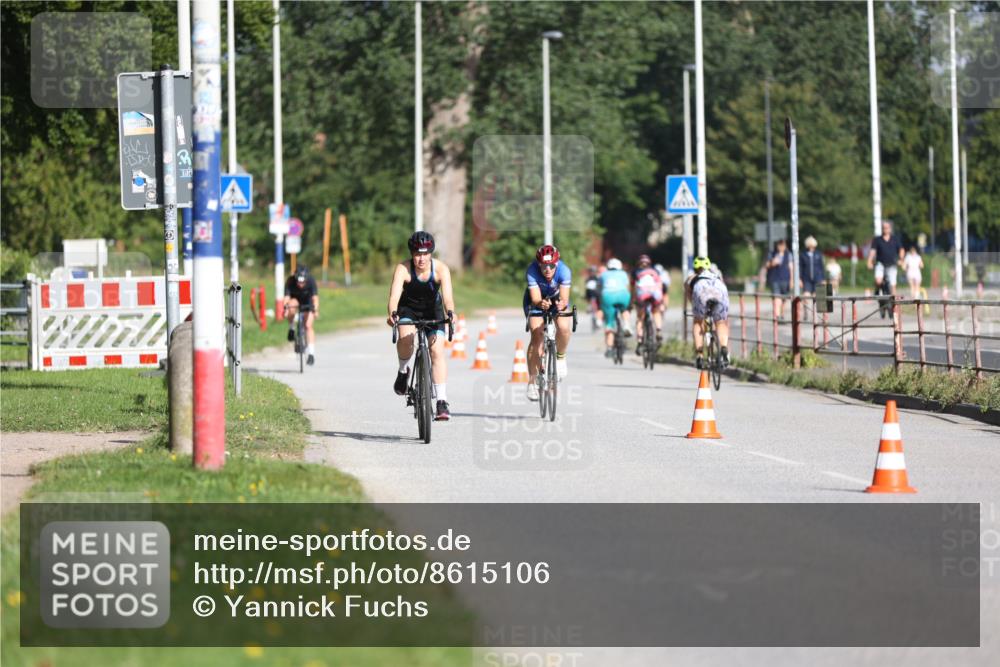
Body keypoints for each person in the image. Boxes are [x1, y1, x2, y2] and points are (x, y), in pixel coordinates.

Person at [387, 231, 456, 421]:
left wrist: (450, 313)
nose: (421, 258)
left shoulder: (441, 269)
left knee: (437, 352)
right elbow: (393, 298)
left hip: (433, 310)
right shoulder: (403, 269)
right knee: (406, 339)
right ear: (412, 254)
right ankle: (403, 371)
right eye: (417, 254)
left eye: (425, 254)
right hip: (408, 309)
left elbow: (448, 298)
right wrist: (392, 314)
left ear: (431, 253)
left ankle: (442, 401)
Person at [523, 244, 573, 401]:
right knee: (536, 334)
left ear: (556, 264)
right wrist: (540, 304)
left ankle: (560, 357)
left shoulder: (564, 271)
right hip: (536, 301)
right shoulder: (532, 271)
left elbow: (564, 299)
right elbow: (536, 297)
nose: (548, 270)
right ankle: (532, 382)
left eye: (551, 266)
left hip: (557, 299)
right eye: (544, 266)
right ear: (539, 265)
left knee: (564, 327)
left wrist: (561, 305)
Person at [685, 256, 731, 369]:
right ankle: (724, 348)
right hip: (720, 290)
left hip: (701, 291)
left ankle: (699, 356)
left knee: (698, 323)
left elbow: (690, 296)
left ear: (695, 268)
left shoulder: (691, 278)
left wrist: (698, 312)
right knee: (721, 322)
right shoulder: (717, 275)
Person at [283, 265, 319, 366]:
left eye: (303, 282)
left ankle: (311, 354)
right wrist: (285, 308)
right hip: (295, 300)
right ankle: (292, 327)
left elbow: (315, 298)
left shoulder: (311, 281)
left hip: (307, 301)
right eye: (298, 282)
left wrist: (315, 310)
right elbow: (286, 298)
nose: (300, 284)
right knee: (290, 306)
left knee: (308, 325)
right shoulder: (290, 281)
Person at [598, 257, 632, 358]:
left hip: (608, 297)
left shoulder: (603, 274)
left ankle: (609, 348)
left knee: (609, 323)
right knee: (625, 309)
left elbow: (599, 288)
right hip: (623, 295)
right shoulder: (624, 274)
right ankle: (626, 325)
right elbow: (627, 287)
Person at [632, 254, 664, 354]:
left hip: (642, 294)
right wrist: (661, 301)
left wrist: (633, 300)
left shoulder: (635, 272)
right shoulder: (655, 272)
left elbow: (633, 288)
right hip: (655, 293)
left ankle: (640, 341)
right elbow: (660, 285)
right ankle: (658, 330)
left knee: (640, 318)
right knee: (656, 312)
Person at [867, 219, 905, 298]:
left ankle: (894, 306)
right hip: (880, 264)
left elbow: (901, 250)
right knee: (878, 281)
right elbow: (872, 251)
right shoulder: (877, 239)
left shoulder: (895, 239)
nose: (885, 229)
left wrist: (901, 260)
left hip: (892, 265)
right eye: (883, 228)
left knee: (893, 285)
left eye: (887, 228)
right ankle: (877, 289)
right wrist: (869, 261)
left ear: (890, 229)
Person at [765, 239, 792, 321]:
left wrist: (792, 280)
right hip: (775, 279)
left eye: (782, 245)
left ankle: (782, 314)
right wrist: (773, 262)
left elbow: (791, 268)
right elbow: (767, 265)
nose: (781, 247)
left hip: (785, 279)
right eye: (779, 245)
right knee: (777, 298)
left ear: (785, 246)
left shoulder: (789, 255)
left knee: (784, 299)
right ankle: (777, 316)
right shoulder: (772, 254)